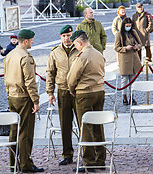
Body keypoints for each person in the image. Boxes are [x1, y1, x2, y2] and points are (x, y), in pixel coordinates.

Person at [4, 29, 44, 173]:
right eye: (32, 40)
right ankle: (26, 164)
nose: (33, 42)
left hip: (12, 96)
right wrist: (36, 100)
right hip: (24, 97)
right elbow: (30, 81)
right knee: (25, 132)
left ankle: (13, 163)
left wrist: (9, 93)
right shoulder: (25, 57)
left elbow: (6, 77)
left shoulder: (10, 55)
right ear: (26, 41)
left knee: (14, 132)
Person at [67, 30, 106, 173]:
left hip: (85, 93)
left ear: (80, 42)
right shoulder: (98, 53)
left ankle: (89, 162)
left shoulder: (82, 56)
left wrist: (72, 89)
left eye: (75, 44)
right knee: (98, 125)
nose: (75, 47)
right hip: (99, 91)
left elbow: (72, 77)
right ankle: (100, 159)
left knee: (86, 128)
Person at [46, 25, 79, 165]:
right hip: (63, 91)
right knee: (65, 125)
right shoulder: (55, 52)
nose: (67, 38)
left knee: (83, 123)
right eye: (64, 36)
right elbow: (50, 72)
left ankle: (87, 153)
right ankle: (67, 154)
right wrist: (50, 92)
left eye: (69, 35)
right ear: (61, 37)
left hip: (78, 91)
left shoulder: (79, 49)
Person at [114, 17, 142, 105]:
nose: (128, 27)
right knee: (124, 79)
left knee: (132, 79)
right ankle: (124, 96)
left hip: (134, 58)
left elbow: (140, 44)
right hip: (124, 59)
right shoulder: (119, 34)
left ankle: (131, 96)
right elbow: (116, 47)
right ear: (123, 26)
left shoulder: (133, 32)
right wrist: (125, 48)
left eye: (130, 25)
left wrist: (136, 47)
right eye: (127, 26)